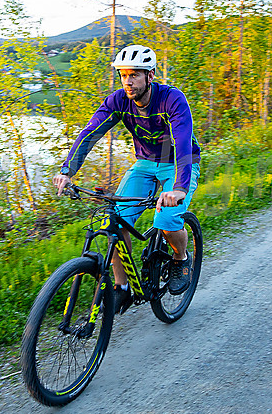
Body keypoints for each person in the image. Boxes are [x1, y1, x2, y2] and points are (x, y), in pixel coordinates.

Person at [52, 44, 201, 314]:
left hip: (178, 163)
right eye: (123, 75)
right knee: (114, 222)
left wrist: (178, 188)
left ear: (150, 75)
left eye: (134, 74)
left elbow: (181, 143)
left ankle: (181, 258)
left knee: (167, 220)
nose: (128, 81)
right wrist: (67, 170)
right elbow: (90, 133)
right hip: (144, 163)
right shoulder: (118, 101)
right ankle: (122, 287)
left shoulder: (172, 100)